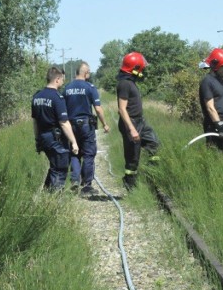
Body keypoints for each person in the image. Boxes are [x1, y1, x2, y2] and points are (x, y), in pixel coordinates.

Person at [116, 51, 160, 190]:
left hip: (140, 122)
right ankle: (130, 186)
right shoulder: (124, 84)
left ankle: (151, 173)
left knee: (154, 143)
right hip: (131, 124)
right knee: (133, 158)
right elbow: (122, 109)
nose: (143, 70)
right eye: (141, 68)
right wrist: (132, 129)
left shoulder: (131, 82)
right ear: (134, 69)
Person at [64, 62, 110, 196]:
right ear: (86, 73)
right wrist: (105, 124)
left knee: (74, 152)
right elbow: (98, 108)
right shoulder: (90, 87)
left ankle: (74, 181)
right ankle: (87, 186)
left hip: (70, 125)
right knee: (89, 154)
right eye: (89, 72)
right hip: (86, 124)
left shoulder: (67, 88)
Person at [32, 66, 79, 192]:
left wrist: (37, 139)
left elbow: (35, 122)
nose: (63, 82)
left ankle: (46, 194)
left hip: (43, 136)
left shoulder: (37, 97)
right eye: (62, 79)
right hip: (55, 138)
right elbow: (64, 123)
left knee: (54, 166)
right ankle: (55, 198)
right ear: (57, 79)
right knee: (60, 167)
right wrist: (74, 142)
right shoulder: (57, 98)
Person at [198, 47, 223, 152]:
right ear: (216, 65)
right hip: (214, 124)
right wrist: (219, 127)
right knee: (216, 154)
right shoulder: (207, 81)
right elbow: (210, 107)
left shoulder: (220, 81)